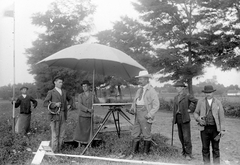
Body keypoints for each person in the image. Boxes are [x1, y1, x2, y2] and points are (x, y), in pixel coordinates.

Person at [127, 70, 160, 158]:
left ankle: (145, 154)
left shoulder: (151, 91)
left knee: (146, 134)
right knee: (135, 132)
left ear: (146, 79)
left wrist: (149, 115)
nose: (139, 81)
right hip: (137, 113)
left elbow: (156, 105)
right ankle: (134, 152)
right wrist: (132, 109)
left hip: (145, 113)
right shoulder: (139, 90)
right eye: (139, 79)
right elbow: (135, 101)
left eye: (141, 79)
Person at [193, 85, 225, 165]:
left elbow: (221, 117)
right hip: (204, 129)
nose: (208, 94)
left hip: (216, 130)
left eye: (210, 92)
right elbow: (195, 113)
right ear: (204, 93)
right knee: (205, 148)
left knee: (216, 148)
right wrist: (198, 118)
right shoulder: (201, 102)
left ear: (213, 92)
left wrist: (222, 129)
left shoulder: (218, 102)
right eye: (206, 93)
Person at [43, 76, 73, 152]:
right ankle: (54, 151)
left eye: (62, 82)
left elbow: (70, 99)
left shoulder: (64, 92)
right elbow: (45, 103)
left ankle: (59, 151)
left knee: (62, 134)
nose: (61, 84)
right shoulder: (51, 92)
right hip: (54, 116)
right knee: (55, 135)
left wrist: (69, 104)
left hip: (63, 115)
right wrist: (54, 104)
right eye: (59, 82)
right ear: (55, 82)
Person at [172, 81, 198, 160]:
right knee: (181, 137)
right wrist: (173, 118)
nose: (177, 88)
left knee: (186, 137)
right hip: (178, 118)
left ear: (182, 88)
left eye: (178, 87)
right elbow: (174, 109)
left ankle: (188, 154)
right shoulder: (175, 97)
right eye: (176, 87)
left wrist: (191, 109)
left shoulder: (187, 96)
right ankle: (184, 151)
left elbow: (196, 101)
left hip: (185, 118)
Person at [73, 80, 99, 146]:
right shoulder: (80, 95)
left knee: (89, 130)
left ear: (89, 86)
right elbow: (80, 105)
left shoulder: (92, 94)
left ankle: (89, 144)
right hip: (82, 115)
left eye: (85, 86)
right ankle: (79, 144)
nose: (84, 88)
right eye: (83, 86)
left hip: (90, 116)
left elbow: (97, 103)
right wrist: (87, 109)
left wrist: (95, 96)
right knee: (80, 130)